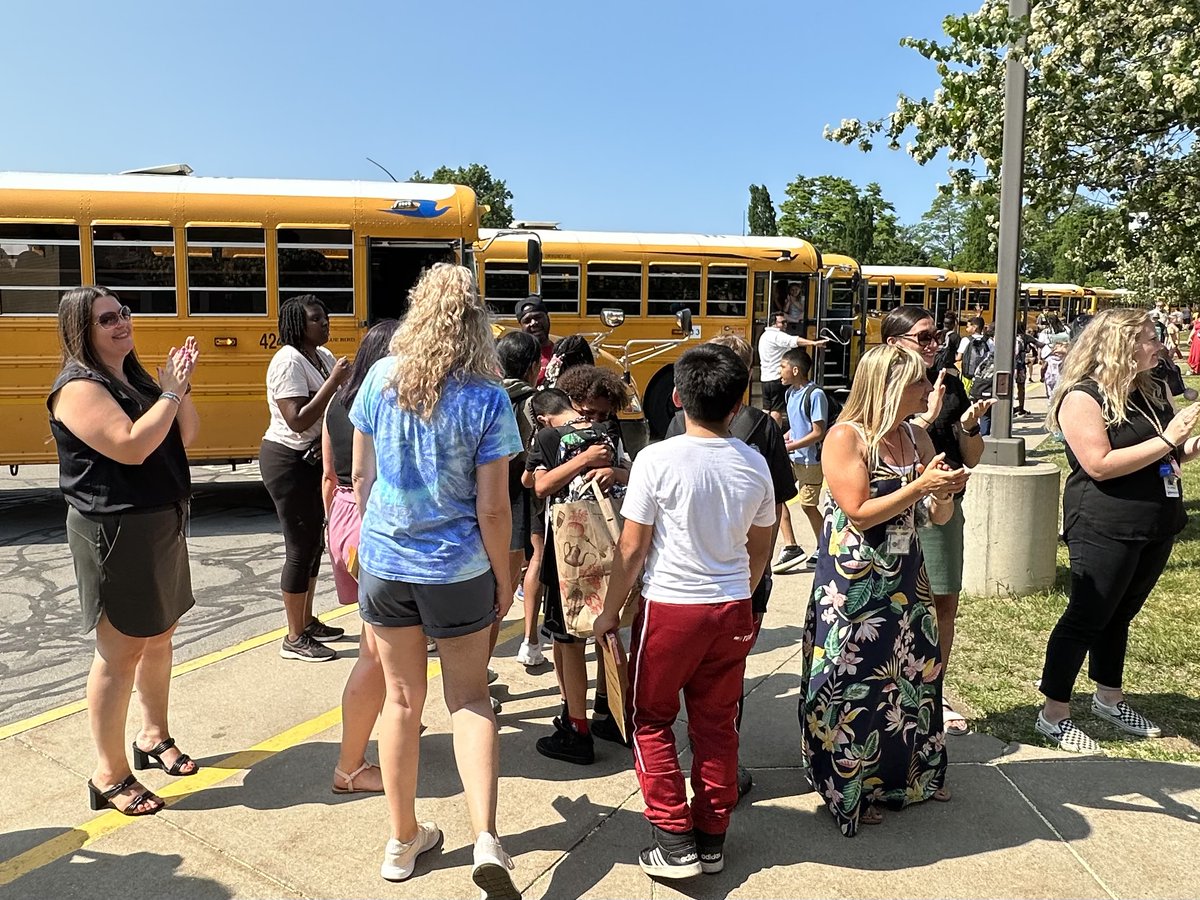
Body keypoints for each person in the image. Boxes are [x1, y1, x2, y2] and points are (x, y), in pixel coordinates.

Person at [350, 263, 522, 894]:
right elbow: (494, 507)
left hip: (388, 563)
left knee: (401, 702)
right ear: (477, 321)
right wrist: (505, 578)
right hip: (457, 568)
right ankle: (487, 838)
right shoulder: (487, 397)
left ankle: (402, 841)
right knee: (470, 700)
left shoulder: (380, 377)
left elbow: (361, 479)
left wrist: (373, 545)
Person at [593, 343, 775, 879]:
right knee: (717, 726)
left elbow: (631, 550)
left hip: (671, 607)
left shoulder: (654, 460)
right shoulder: (754, 462)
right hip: (731, 606)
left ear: (676, 397)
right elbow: (760, 545)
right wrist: (742, 588)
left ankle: (673, 837)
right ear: (739, 402)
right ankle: (712, 835)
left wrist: (608, 612)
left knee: (650, 718)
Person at [799, 345, 969, 836]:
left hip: (904, 576)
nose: (929, 390)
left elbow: (932, 518)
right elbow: (858, 511)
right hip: (853, 582)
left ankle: (903, 779)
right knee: (850, 685)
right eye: (920, 382)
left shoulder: (915, 435)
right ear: (891, 387)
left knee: (909, 678)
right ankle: (850, 785)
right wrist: (919, 487)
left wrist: (943, 494)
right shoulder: (845, 438)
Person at [48, 286, 201, 816]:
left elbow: (188, 433)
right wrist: (171, 394)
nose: (121, 323)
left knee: (160, 636)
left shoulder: (134, 377)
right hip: (115, 530)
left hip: (160, 522)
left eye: (123, 313)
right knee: (120, 652)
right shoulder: (78, 388)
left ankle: (153, 735)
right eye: (106, 319)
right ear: (81, 332)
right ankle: (109, 772)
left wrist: (175, 389)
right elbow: (132, 447)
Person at [1036, 308, 1200, 753]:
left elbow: (1167, 455)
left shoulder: (1148, 390)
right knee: (1089, 614)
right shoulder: (1082, 397)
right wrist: (1169, 439)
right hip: (1103, 521)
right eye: (1150, 338)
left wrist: (1188, 444)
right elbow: (1100, 465)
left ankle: (1109, 696)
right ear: (1121, 345)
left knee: (1121, 612)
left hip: (1155, 519)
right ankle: (1054, 712)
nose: (1161, 345)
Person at [663, 333, 798, 802]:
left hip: (678, 585)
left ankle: (693, 765)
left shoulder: (676, 429)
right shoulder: (762, 428)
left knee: (663, 694)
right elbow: (776, 505)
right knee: (724, 688)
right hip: (742, 583)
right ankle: (722, 768)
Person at [882, 306, 994, 735]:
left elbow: (972, 457)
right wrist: (924, 421)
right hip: (893, 514)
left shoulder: (949, 383)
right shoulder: (876, 382)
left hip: (942, 507)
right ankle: (894, 686)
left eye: (936, 337)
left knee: (943, 602)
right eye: (923, 338)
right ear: (894, 343)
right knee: (894, 603)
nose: (934, 345)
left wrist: (967, 426)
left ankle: (933, 690)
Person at [529, 364, 632, 765]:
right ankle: (582, 719)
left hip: (605, 542)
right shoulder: (550, 435)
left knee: (601, 630)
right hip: (566, 544)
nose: (595, 421)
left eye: (604, 414)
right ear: (571, 402)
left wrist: (613, 469)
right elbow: (540, 484)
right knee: (569, 633)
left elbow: (632, 472)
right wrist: (585, 459)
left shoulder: (611, 435)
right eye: (588, 412)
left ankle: (594, 720)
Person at [321, 318, 400, 796]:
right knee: (373, 650)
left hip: (344, 515)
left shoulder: (338, 402)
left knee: (379, 644)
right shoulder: (383, 404)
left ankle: (384, 729)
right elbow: (372, 473)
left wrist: (334, 527)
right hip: (373, 518)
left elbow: (330, 476)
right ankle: (350, 765)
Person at [261, 295, 351, 662]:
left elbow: (331, 410)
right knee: (298, 547)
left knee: (314, 543)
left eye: (326, 316)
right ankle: (294, 637)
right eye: (317, 319)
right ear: (298, 324)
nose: (325, 323)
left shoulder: (323, 356)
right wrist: (332, 382)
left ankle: (308, 619)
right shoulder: (288, 361)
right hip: (286, 459)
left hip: (312, 454)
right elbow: (295, 419)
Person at [497, 331, 544, 668]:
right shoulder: (535, 403)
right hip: (522, 496)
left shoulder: (487, 398)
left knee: (494, 583)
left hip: (489, 495)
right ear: (532, 367)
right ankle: (530, 640)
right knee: (521, 572)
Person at [772, 347, 826, 574]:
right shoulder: (789, 394)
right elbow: (796, 427)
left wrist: (790, 446)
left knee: (808, 505)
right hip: (794, 457)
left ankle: (825, 545)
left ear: (795, 370)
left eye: (783, 367)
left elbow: (818, 432)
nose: (779, 372)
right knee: (778, 495)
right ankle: (791, 546)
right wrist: (785, 438)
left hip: (810, 461)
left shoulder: (815, 395)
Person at [757, 311, 827, 425]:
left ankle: (763, 433)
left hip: (765, 377)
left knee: (766, 409)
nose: (785, 325)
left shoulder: (764, 336)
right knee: (776, 410)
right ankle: (775, 436)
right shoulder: (776, 335)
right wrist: (814, 343)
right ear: (773, 323)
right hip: (777, 377)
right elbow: (794, 340)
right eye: (783, 322)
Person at [516, 295, 555, 385]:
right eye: (527, 321)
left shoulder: (561, 354)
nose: (533, 323)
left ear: (548, 319)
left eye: (538, 317)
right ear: (521, 326)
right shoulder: (517, 358)